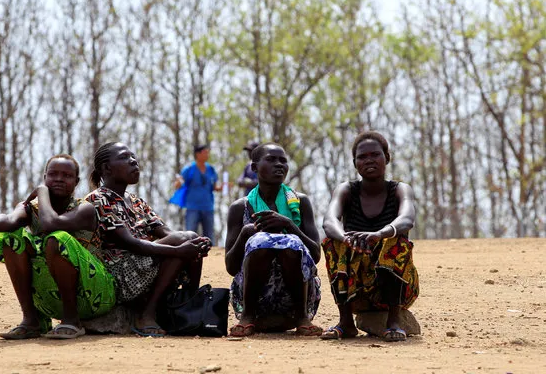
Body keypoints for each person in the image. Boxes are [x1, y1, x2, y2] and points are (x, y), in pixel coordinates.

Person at [34, 142, 211, 337]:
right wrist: (178, 250)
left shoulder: (135, 200)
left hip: (147, 261)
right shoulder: (98, 199)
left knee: (192, 239)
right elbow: (131, 243)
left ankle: (187, 305)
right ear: (107, 168)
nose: (134, 161)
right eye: (125, 158)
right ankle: (147, 314)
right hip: (120, 272)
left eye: (133, 157)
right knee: (183, 241)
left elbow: (166, 232)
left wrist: (196, 243)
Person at [0, 154, 117, 340]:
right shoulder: (32, 208)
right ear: (45, 176)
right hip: (51, 298)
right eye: (53, 174)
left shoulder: (84, 209)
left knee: (57, 239)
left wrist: (40, 191)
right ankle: (32, 321)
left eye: (66, 176)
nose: (58, 179)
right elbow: (9, 220)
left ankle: (72, 320)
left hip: (95, 295)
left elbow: (51, 224)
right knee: (11, 240)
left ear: (76, 182)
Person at [320, 131, 419, 342]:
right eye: (362, 157)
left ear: (387, 158)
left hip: (398, 291)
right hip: (357, 291)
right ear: (355, 163)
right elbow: (329, 221)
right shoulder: (346, 190)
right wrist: (345, 239)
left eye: (375, 154)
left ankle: (393, 321)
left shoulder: (400, 190)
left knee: (395, 242)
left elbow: (407, 219)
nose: (369, 160)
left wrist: (380, 234)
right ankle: (345, 322)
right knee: (332, 242)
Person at [225, 143, 322, 337]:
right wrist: (245, 234)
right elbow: (231, 267)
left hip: (296, 297)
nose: (279, 165)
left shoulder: (300, 202)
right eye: (271, 159)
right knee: (260, 242)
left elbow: (316, 255)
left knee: (291, 244)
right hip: (256, 297)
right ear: (254, 167)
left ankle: (302, 317)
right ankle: (248, 316)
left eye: (283, 161)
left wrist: (289, 225)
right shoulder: (240, 208)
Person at [173, 144, 221, 245]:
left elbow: (215, 187)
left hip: (208, 207)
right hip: (192, 207)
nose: (207, 155)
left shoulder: (211, 169)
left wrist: (222, 188)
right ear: (198, 154)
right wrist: (178, 182)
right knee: (190, 235)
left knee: (209, 235)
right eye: (205, 152)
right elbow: (178, 185)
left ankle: (211, 257)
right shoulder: (189, 169)